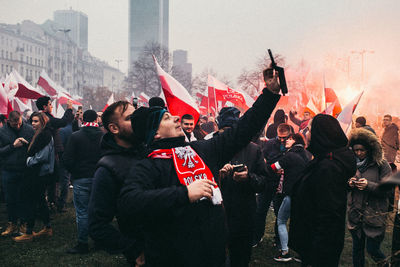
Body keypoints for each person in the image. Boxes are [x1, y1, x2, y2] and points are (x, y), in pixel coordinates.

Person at [118, 71, 281, 266]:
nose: (177, 119)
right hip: (172, 258)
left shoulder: (201, 150)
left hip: (214, 256)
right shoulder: (147, 165)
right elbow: (129, 203)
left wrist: (269, 94)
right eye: (167, 119)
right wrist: (184, 194)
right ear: (156, 135)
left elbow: (242, 130)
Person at [289, 114, 357, 267]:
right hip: (313, 244)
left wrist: (316, 256)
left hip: (319, 251)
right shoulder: (322, 160)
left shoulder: (328, 168)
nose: (306, 133)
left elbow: (329, 216)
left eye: (310, 130)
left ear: (321, 135)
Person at [88, 101, 145, 266]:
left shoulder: (148, 152)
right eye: (130, 118)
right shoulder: (108, 169)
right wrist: (134, 250)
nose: (137, 121)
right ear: (114, 128)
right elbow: (97, 225)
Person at [216, 107, 268, 267]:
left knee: (240, 258)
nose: (228, 134)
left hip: (244, 215)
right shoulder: (211, 147)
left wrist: (248, 178)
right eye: (224, 130)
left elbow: (264, 182)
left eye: (231, 130)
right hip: (218, 215)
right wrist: (217, 176)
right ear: (218, 128)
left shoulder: (253, 150)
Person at [347, 128, 392, 267]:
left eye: (362, 150)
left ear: (370, 149)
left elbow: (388, 189)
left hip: (374, 214)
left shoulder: (381, 164)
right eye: (356, 150)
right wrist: (349, 183)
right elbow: (341, 184)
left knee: (373, 249)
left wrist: (368, 185)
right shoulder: (351, 162)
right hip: (356, 213)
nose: (359, 153)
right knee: (357, 250)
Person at [63, 110, 104, 254]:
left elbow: (67, 159)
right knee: (98, 211)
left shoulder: (76, 136)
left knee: (82, 212)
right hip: (100, 177)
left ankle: (83, 243)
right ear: (96, 119)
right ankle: (99, 241)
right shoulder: (104, 136)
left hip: (81, 178)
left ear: (82, 118)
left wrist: (75, 172)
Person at [14, 112, 56, 242]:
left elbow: (41, 157)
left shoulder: (45, 135)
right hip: (40, 174)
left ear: (43, 122)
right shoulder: (41, 134)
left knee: (31, 201)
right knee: (39, 201)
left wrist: (27, 161)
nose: (33, 123)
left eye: (36, 121)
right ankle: (47, 228)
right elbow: (37, 150)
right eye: (32, 121)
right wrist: (27, 144)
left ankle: (29, 232)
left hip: (39, 174)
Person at [271, 133, 310, 262]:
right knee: (300, 223)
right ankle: (302, 253)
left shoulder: (290, 155)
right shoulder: (306, 155)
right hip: (304, 194)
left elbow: (273, 167)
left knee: (281, 220)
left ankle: (284, 252)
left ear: (295, 141)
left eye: (290, 139)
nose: (287, 140)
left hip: (291, 194)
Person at [253, 123, 293, 248]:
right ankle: (257, 236)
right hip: (268, 182)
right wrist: (273, 168)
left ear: (289, 135)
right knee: (260, 210)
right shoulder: (270, 144)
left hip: (282, 185)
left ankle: (278, 239)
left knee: (279, 214)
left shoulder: (292, 145)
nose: (282, 140)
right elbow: (262, 161)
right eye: (280, 137)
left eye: (284, 137)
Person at [36, 96, 74, 211]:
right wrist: (69, 109)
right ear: (44, 106)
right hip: (50, 154)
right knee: (50, 179)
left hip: (51, 153)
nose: (51, 106)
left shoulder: (43, 117)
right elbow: (63, 122)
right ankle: (48, 204)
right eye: (50, 104)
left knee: (53, 179)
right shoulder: (45, 118)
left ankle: (52, 202)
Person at [0, 111, 34, 236]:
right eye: (15, 125)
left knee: (25, 198)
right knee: (10, 199)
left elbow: (35, 147)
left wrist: (27, 145)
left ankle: (24, 224)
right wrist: (12, 146)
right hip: (8, 170)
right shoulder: (2, 132)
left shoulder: (29, 130)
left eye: (20, 123)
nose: (18, 126)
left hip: (25, 169)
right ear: (9, 122)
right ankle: (12, 223)